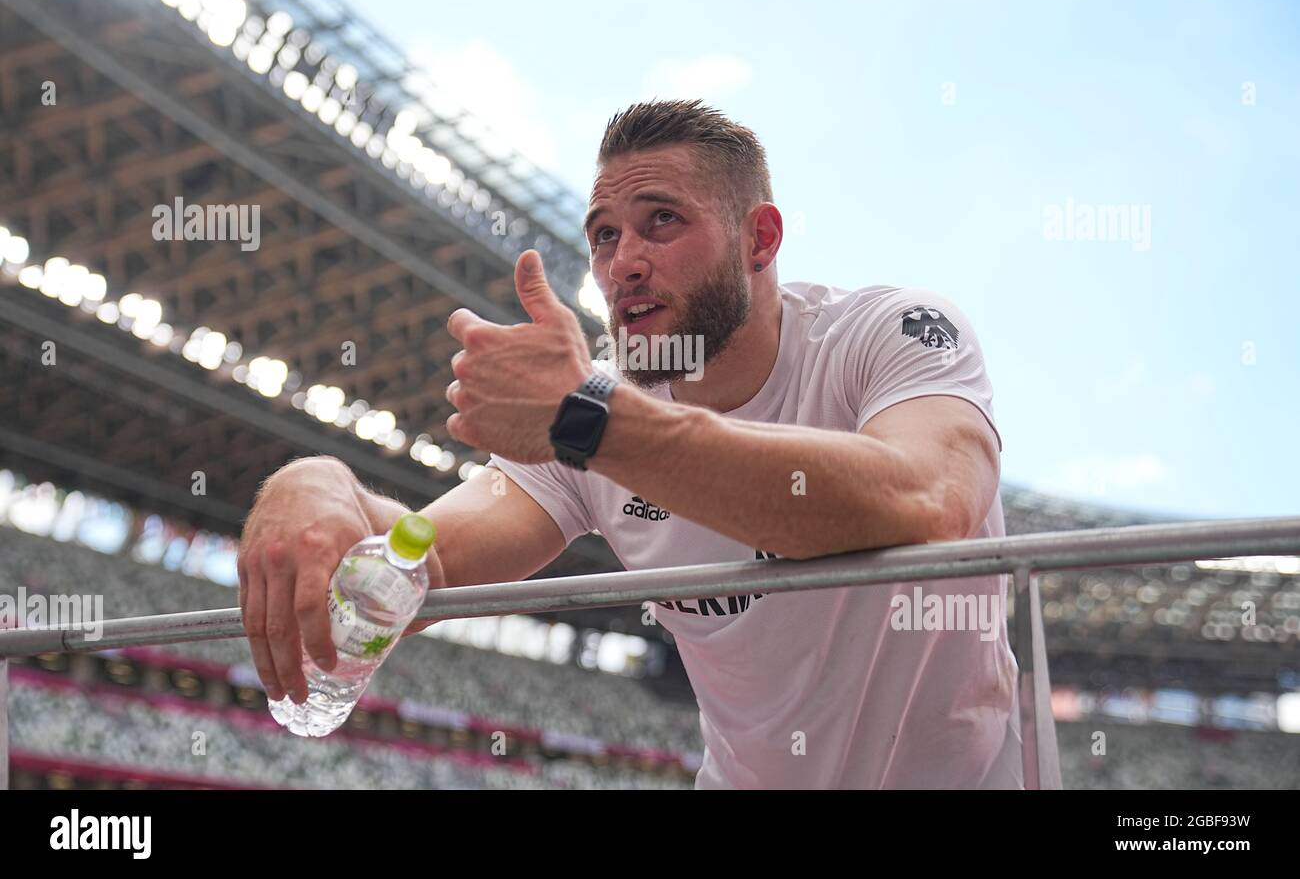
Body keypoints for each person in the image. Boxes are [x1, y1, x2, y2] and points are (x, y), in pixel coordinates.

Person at [239, 99, 1022, 788]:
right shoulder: (596, 417)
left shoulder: (889, 335)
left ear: (760, 238)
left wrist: (595, 423)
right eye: (604, 236)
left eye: (662, 222)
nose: (624, 265)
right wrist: (316, 486)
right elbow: (427, 560)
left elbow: (929, 500)